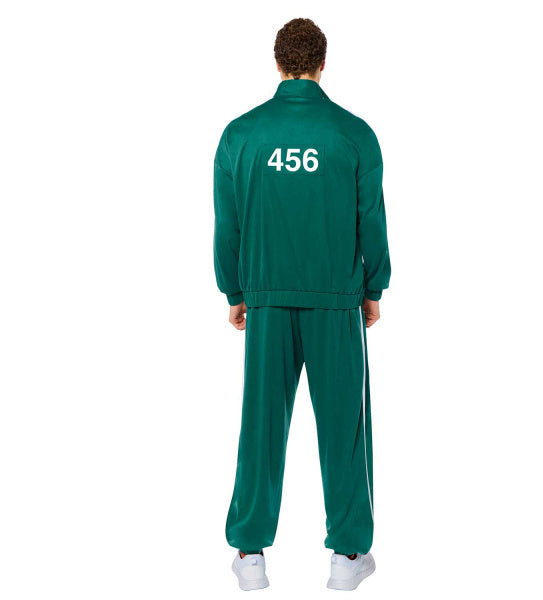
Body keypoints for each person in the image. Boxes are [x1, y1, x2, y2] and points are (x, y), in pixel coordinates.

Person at [213, 18, 391, 591]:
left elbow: (227, 224)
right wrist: (373, 288)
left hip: (266, 302)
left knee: (260, 428)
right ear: (322, 63)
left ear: (277, 63)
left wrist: (235, 291)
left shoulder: (241, 135)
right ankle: (347, 557)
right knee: (344, 429)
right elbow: (371, 219)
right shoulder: (353, 134)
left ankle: (250, 556)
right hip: (336, 303)